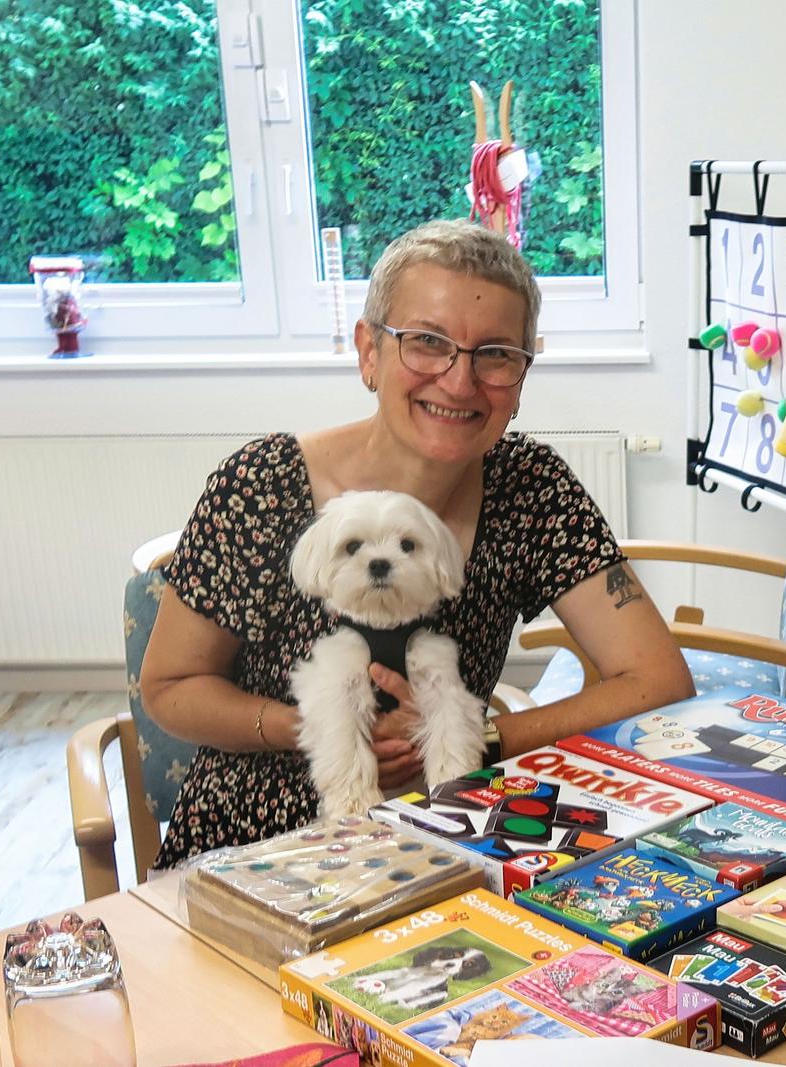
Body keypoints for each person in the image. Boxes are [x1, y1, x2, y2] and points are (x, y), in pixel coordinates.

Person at [142, 220, 694, 867]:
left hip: (443, 829)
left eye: (495, 354)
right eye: (427, 343)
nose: (460, 382)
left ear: (521, 375)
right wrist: (319, 726)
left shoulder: (533, 488)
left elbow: (657, 678)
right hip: (253, 845)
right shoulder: (260, 485)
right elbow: (171, 686)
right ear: (369, 351)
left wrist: (476, 735)